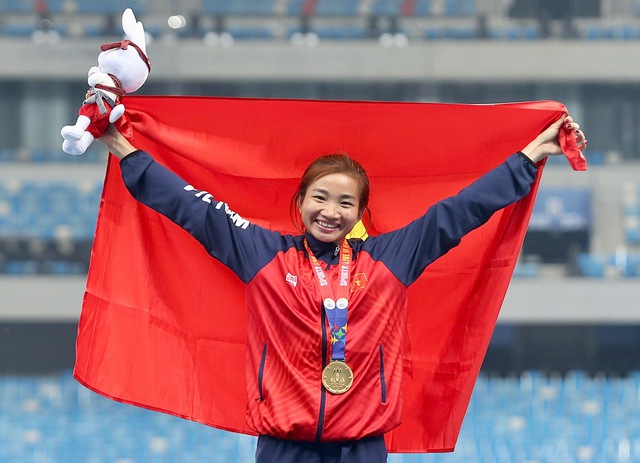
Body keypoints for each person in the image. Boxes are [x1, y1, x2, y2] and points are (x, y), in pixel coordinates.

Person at [96, 116, 586, 463]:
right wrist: (122, 147)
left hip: (362, 446)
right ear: (301, 201)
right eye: (321, 197)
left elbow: (460, 211)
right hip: (283, 446)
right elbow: (192, 208)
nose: (331, 211)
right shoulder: (261, 252)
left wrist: (529, 156)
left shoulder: (391, 258)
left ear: (359, 213)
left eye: (345, 202)